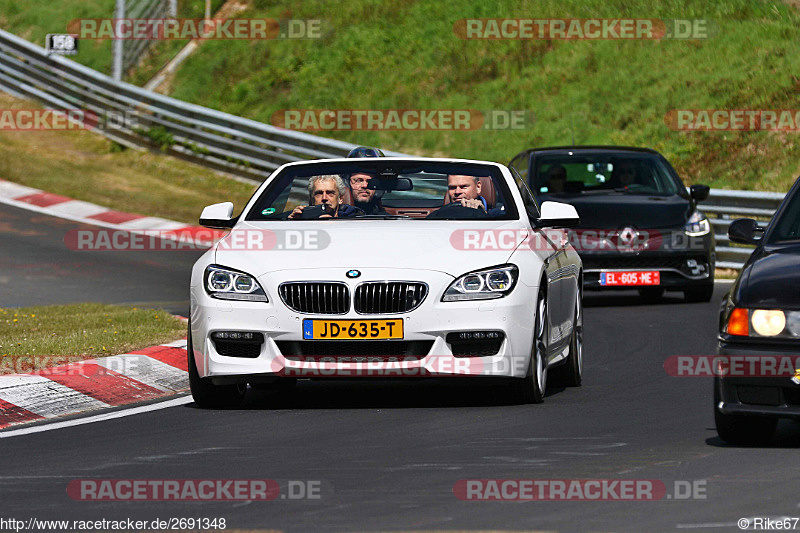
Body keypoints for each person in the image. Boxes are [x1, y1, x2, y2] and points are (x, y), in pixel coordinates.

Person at [289, 175, 364, 219]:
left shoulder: (355, 220)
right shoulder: (302, 219)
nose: (324, 198)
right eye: (319, 193)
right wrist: (292, 223)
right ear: (312, 199)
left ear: (340, 199)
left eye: (330, 193)